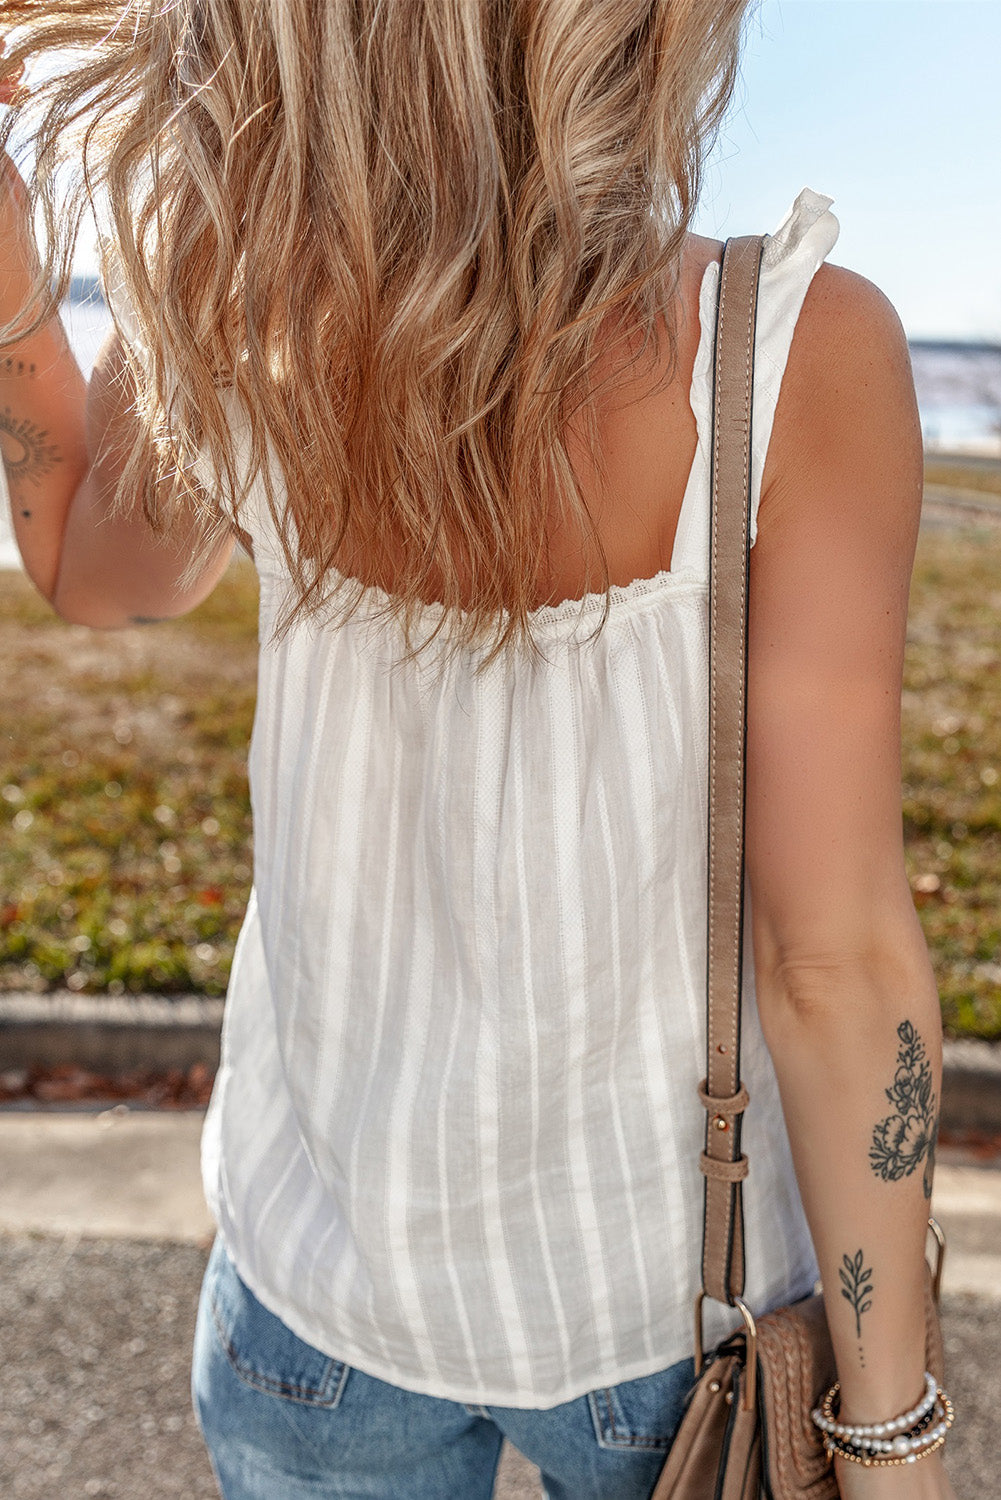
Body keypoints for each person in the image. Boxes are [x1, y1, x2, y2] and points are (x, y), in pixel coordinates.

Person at [0, 5, 958, 1498]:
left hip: (316, 1291)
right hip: (667, 1309)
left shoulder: (232, 313)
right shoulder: (786, 355)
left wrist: (13, 291)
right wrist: (890, 1446)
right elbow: (830, 963)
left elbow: (86, 571)